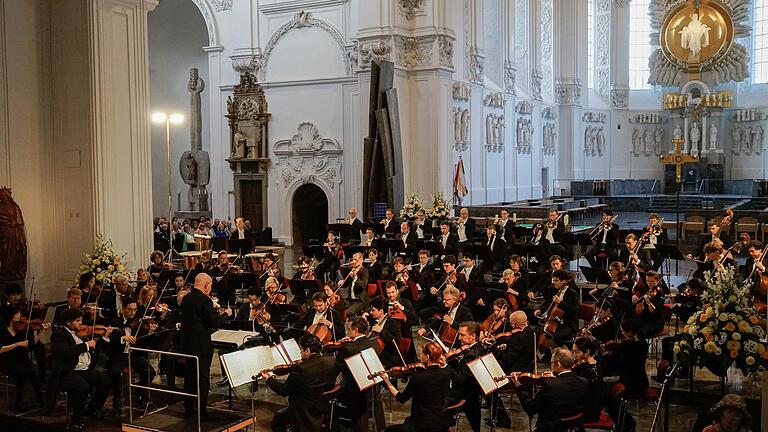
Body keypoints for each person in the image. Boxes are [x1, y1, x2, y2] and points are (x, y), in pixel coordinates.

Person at [261, 333, 342, 432]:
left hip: (302, 412)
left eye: (300, 349)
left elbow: (283, 391)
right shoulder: (333, 361)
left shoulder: (300, 369)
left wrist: (268, 379)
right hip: (324, 409)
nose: (300, 352)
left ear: (307, 350)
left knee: (277, 421)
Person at [49, 308, 113, 431]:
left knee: (106, 381)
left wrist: (104, 338)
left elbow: (91, 348)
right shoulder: (58, 335)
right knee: (82, 387)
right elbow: (66, 352)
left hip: (84, 369)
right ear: (68, 322)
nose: (81, 324)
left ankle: (93, 410)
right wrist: (86, 345)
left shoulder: (80, 333)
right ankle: (76, 418)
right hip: (68, 371)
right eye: (78, 321)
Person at [179, 273, 231, 419]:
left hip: (188, 345)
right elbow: (214, 322)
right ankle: (201, 411)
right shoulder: (204, 300)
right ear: (206, 285)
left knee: (189, 378)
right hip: (201, 346)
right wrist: (226, 314)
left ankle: (189, 409)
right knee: (202, 379)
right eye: (210, 286)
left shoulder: (186, 299)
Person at [511, 347, 590, 432]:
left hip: (551, 428)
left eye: (552, 363)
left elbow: (530, 408)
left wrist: (518, 385)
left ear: (558, 364)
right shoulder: (584, 382)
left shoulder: (550, 386)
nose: (551, 366)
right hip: (575, 427)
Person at [380, 341, 453, 432]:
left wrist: (387, 381)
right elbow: (446, 369)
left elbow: (401, 398)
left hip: (422, 424)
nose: (420, 355)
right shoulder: (446, 373)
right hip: (440, 421)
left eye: (422, 353)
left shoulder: (419, 377)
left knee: (388, 430)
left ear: (427, 357)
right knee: (407, 420)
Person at [106, 298, 157, 411]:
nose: (133, 313)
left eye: (134, 310)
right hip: (119, 355)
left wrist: (150, 333)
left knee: (150, 372)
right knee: (115, 372)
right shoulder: (115, 322)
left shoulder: (138, 323)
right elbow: (110, 340)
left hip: (134, 355)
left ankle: (140, 391)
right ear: (123, 308)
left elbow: (144, 342)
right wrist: (123, 338)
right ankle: (117, 398)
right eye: (130, 309)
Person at [337, 316, 382, 432]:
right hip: (373, 387)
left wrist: (341, 345)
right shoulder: (374, 343)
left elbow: (338, 365)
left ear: (355, 330)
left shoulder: (349, 348)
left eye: (349, 329)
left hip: (354, 389)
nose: (347, 331)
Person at [0, 305, 47, 411]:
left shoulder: (20, 329)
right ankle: (18, 401)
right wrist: (17, 344)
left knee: (32, 371)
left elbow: (31, 343)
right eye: (17, 314)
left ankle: (40, 399)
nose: (20, 315)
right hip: (7, 360)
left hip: (21, 358)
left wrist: (42, 332)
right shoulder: (2, 330)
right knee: (22, 372)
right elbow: (1, 349)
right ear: (10, 315)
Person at [446, 321, 485, 432]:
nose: (459, 338)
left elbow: (460, 378)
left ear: (473, 336)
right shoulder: (472, 348)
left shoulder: (474, 354)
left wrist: (445, 367)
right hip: (469, 393)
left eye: (462, 335)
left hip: (464, 394)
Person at [571, 337, 605, 423]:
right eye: (573, 352)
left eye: (577, 352)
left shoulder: (585, 370)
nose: (574, 355)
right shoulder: (596, 363)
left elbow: (578, 393)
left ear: (587, 352)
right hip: (595, 410)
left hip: (587, 413)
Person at [366, 296, 402, 368]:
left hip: (387, 358)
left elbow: (396, 343)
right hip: (375, 355)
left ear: (381, 311)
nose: (370, 312)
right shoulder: (374, 322)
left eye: (373, 310)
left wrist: (381, 331)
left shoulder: (394, 324)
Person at [339, 252, 370, 316]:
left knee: (348, 312)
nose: (353, 261)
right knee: (339, 309)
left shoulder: (364, 271)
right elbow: (346, 284)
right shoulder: (352, 270)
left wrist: (355, 277)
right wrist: (342, 282)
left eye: (355, 260)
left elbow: (363, 285)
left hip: (360, 300)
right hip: (350, 299)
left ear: (361, 261)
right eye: (353, 259)